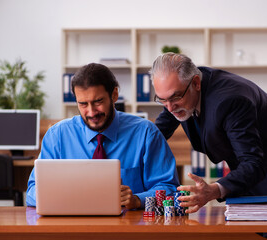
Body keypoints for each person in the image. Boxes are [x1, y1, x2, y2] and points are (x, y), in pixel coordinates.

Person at [150, 53, 267, 214]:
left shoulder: (230, 101)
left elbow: (253, 162)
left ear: (196, 83)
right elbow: (158, 132)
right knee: (241, 224)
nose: (170, 108)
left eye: (175, 98)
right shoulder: (179, 91)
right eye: (162, 100)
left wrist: (213, 190)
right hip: (248, 165)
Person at [26, 63, 179, 209]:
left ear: (114, 95)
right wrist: (63, 196)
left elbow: (169, 188)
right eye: (83, 104)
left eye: (98, 101)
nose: (92, 112)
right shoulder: (57, 136)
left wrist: (138, 200)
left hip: (129, 229)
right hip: (73, 228)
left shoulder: (146, 133)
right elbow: (32, 191)